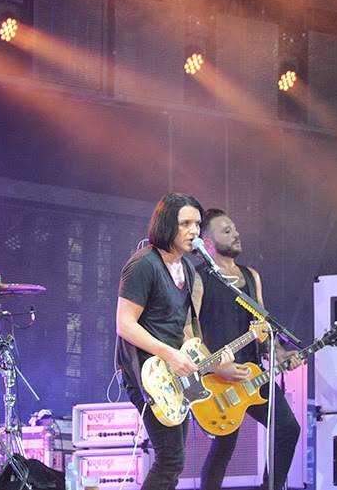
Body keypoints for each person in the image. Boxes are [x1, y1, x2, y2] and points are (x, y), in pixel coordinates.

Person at [115, 193, 235, 490]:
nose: (194, 231)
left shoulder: (189, 270)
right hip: (146, 370)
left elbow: (184, 329)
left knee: (174, 460)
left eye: (197, 224)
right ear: (167, 224)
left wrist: (210, 359)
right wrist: (169, 354)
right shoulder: (144, 265)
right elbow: (125, 324)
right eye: (186, 224)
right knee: (170, 458)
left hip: (174, 371)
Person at [192, 208, 302, 490]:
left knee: (287, 429)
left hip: (252, 373)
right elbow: (189, 332)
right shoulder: (199, 279)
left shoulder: (251, 276)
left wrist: (280, 353)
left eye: (235, 228)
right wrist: (219, 366)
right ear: (207, 242)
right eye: (227, 231)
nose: (236, 234)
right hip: (216, 379)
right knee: (225, 445)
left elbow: (262, 326)